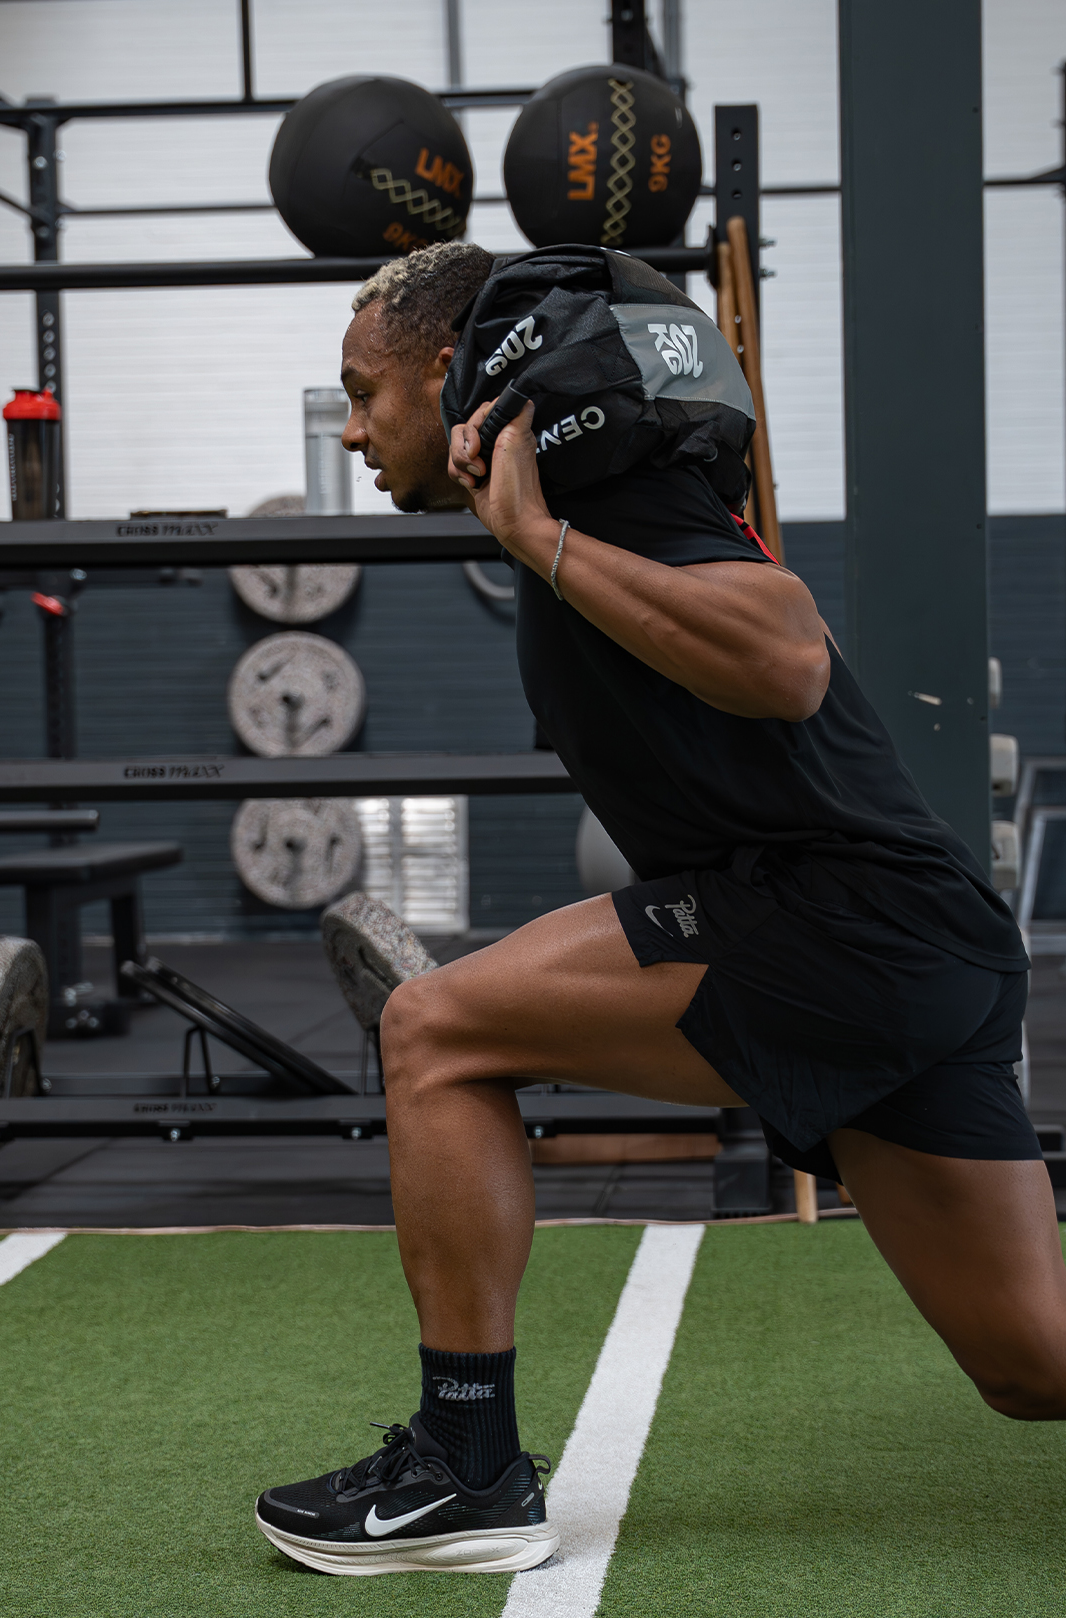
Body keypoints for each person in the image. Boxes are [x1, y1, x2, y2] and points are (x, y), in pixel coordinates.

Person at [255, 242, 1064, 1577]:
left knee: (435, 1028)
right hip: (913, 941)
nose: (351, 430)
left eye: (364, 392)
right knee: (1032, 1366)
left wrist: (538, 534)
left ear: (456, 379)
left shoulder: (602, 490)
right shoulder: (607, 488)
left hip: (834, 918)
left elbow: (789, 655)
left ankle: (466, 1468)